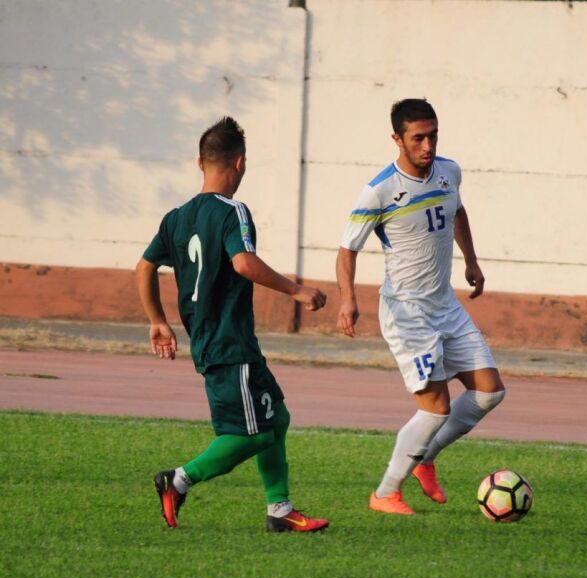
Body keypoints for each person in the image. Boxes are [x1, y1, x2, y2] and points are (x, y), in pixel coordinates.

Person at [136, 116, 329, 532]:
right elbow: (243, 263)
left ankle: (280, 510)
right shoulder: (233, 210)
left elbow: (145, 266)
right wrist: (296, 290)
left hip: (222, 340)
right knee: (253, 434)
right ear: (239, 163)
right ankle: (178, 480)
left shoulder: (176, 217)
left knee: (277, 417)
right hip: (227, 340)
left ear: (200, 162)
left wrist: (158, 321)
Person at [336, 98, 506, 515]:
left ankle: (424, 458)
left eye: (433, 136)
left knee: (489, 391)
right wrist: (347, 300)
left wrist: (471, 260)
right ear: (397, 139)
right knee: (435, 408)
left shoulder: (449, 172)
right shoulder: (378, 191)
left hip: (445, 304)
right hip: (407, 313)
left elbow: (457, 212)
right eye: (418, 138)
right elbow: (347, 250)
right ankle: (385, 493)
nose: (427, 146)